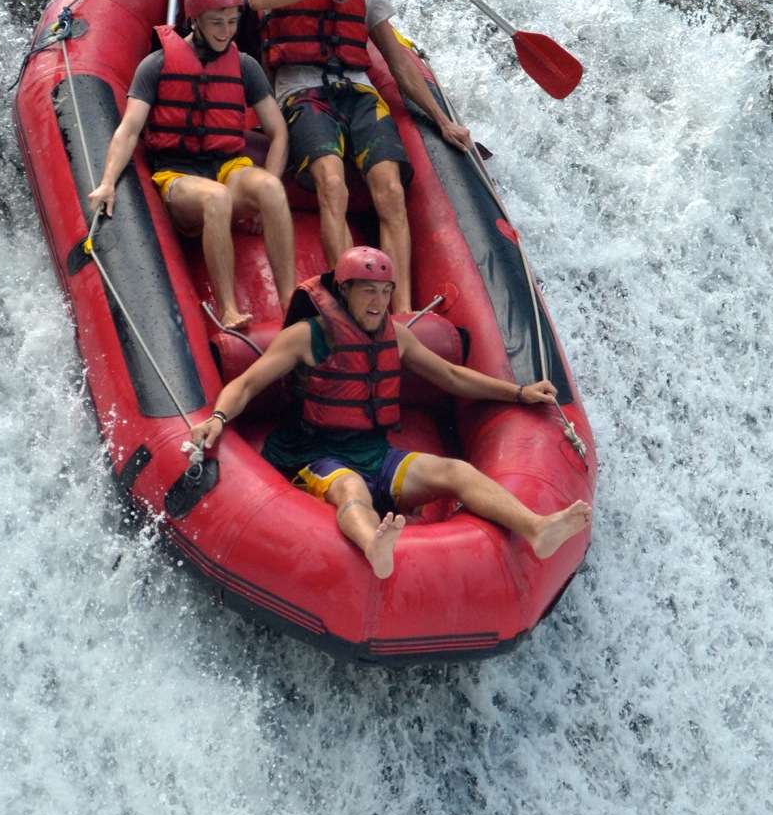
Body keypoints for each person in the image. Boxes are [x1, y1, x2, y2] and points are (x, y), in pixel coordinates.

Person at [189, 247, 593, 580]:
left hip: (376, 453)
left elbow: (451, 375)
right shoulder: (308, 336)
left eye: (385, 292)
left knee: (456, 472)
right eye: (368, 291)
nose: (379, 302)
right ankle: (372, 546)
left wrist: (520, 393)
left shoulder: (395, 335)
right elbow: (246, 384)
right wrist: (218, 418)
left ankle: (536, 528)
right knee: (350, 489)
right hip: (315, 453)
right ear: (344, 290)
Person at [245, 0, 472, 314]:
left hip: (360, 92)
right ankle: (349, 303)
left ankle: (401, 310)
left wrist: (443, 121)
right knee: (332, 184)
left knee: (390, 190)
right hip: (303, 90)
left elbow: (399, 62)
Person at [87, 0, 294, 331]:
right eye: (217, 22)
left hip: (229, 165)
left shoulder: (244, 66)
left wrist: (268, 185)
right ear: (195, 21)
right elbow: (129, 129)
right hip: (177, 174)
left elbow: (278, 132)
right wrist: (107, 183)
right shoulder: (156, 65)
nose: (226, 31)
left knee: (272, 190)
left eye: (232, 22)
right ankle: (229, 309)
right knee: (215, 197)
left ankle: (291, 299)